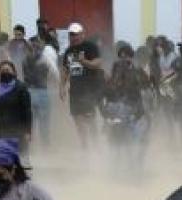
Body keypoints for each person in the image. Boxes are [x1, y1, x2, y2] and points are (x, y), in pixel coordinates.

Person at [101, 43, 151, 174]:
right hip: (119, 111)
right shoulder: (115, 71)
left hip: (135, 111)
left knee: (139, 139)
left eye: (126, 56)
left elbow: (147, 87)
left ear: (131, 57)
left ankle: (136, 166)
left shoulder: (138, 72)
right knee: (117, 139)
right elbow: (108, 92)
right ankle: (118, 167)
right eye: (121, 57)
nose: (123, 59)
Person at [61, 22, 104, 148]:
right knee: (78, 121)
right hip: (75, 91)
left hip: (90, 90)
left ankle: (96, 145)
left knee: (90, 119)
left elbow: (97, 64)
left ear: (82, 34)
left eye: (76, 34)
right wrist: (61, 87)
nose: (73, 37)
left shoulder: (91, 47)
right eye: (71, 35)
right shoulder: (68, 51)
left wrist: (83, 61)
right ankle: (85, 147)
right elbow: (65, 70)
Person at [0, 61, 32, 155]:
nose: (5, 72)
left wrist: (28, 130)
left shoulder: (21, 88)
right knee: (3, 156)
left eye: (7, 70)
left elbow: (27, 111)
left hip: (18, 131)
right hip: (1, 130)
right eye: (2, 70)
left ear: (14, 72)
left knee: (17, 157)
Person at [22, 36, 59, 147]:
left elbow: (24, 76)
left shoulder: (24, 60)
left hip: (29, 92)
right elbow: (55, 74)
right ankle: (45, 146)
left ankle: (30, 147)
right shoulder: (44, 59)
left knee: (30, 122)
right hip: (42, 91)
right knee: (44, 123)